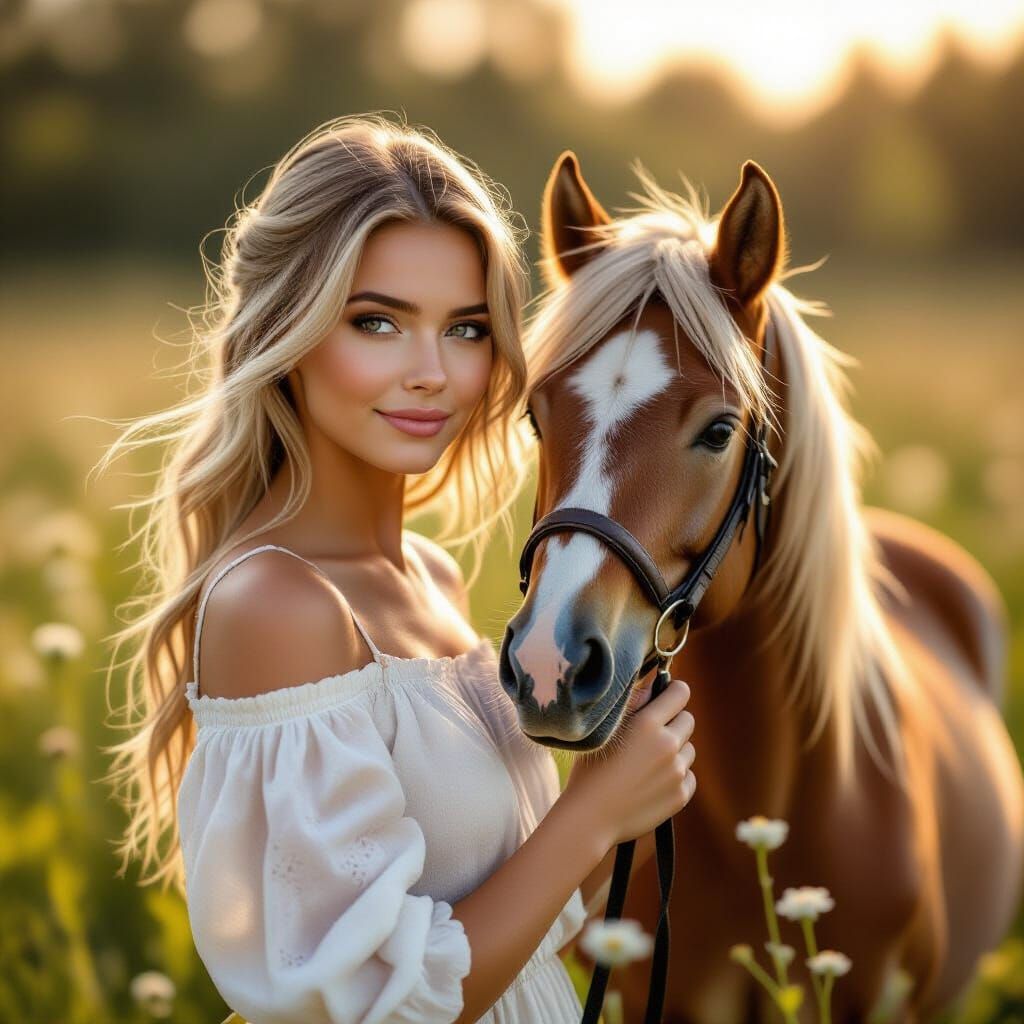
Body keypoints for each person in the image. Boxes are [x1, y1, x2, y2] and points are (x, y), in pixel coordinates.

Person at [100, 113, 696, 1023]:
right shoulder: (278, 605)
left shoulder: (432, 579)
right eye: (377, 322)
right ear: (286, 330)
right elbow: (378, 1002)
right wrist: (597, 814)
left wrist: (620, 786)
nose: (432, 373)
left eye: (464, 329)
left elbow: (511, 917)